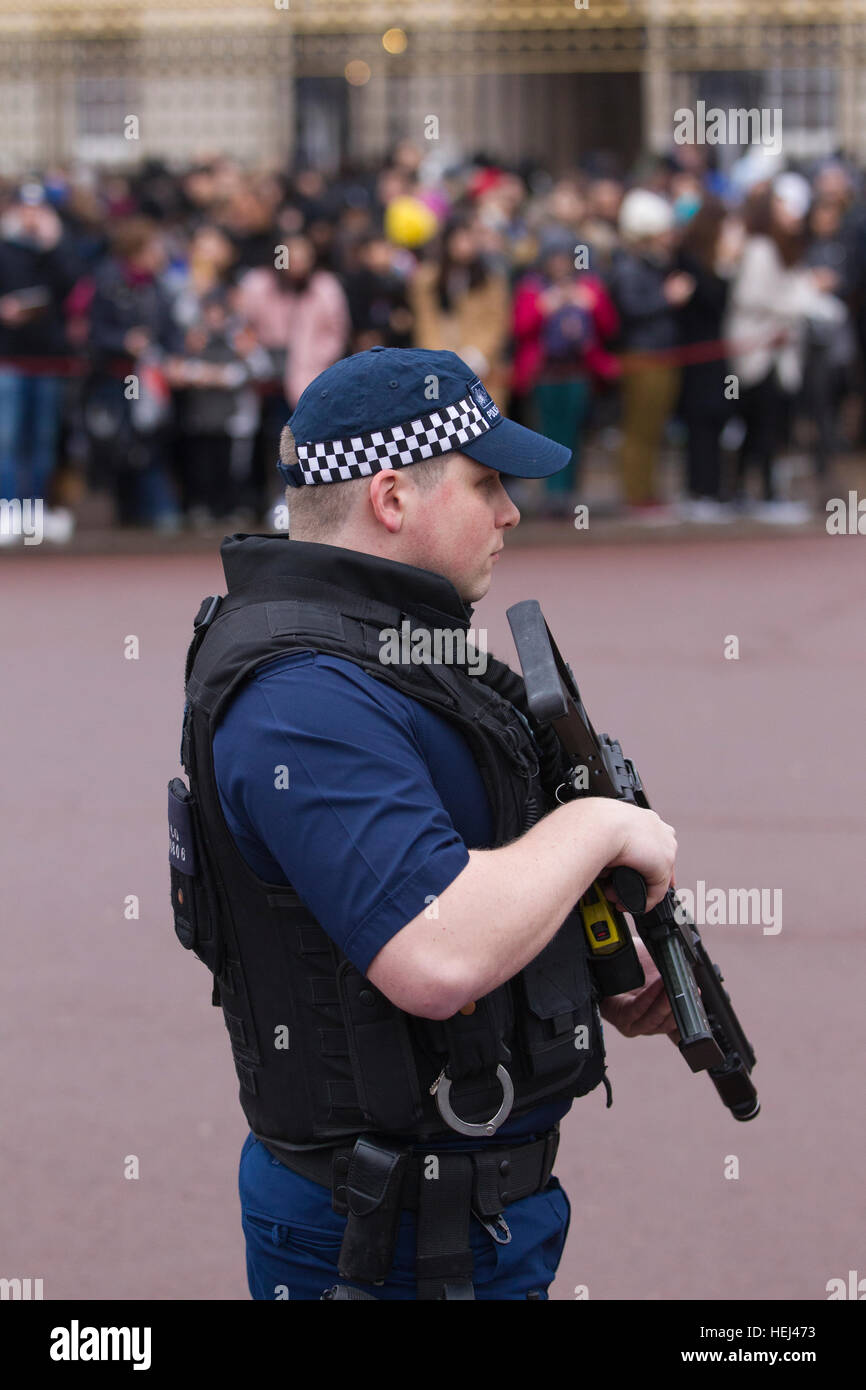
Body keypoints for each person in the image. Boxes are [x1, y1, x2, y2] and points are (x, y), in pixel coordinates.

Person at [172, 346, 679, 1301]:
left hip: (457, 1213)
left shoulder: (392, 647)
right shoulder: (303, 693)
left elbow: (464, 852)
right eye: (485, 482)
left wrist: (588, 960)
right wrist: (602, 832)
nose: (510, 512)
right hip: (385, 1237)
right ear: (393, 497)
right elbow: (434, 954)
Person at [723, 175, 847, 522]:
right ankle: (754, 492)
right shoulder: (761, 248)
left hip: (777, 351)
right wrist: (795, 307)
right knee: (758, 423)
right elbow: (752, 296)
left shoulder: (785, 248)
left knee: (771, 423)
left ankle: (762, 491)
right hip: (758, 350)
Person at [608, 189, 694, 517]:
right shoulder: (630, 266)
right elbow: (632, 308)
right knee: (640, 428)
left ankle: (647, 490)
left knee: (654, 427)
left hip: (658, 353)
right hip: (643, 356)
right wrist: (667, 298)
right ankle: (636, 493)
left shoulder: (646, 264)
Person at [674, 197, 743, 520]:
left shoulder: (712, 261)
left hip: (715, 353)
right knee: (701, 420)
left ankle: (714, 489)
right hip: (697, 353)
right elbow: (711, 302)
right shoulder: (691, 261)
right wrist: (726, 267)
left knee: (716, 418)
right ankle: (700, 490)